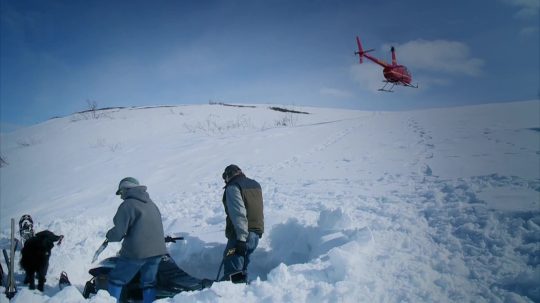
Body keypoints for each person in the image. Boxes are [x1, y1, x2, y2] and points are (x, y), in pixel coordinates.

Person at [105, 177, 167, 303]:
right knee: (149, 283)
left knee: (116, 279)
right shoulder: (151, 203)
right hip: (158, 251)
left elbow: (118, 232)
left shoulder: (127, 205)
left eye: (121, 192)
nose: (121, 196)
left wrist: (108, 236)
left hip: (137, 252)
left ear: (127, 189)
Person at [220, 165, 264, 283]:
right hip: (255, 234)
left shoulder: (233, 187)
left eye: (225, 177)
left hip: (241, 235)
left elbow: (238, 213)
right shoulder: (255, 185)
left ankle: (232, 294)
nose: (225, 181)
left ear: (228, 175)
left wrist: (241, 239)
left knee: (233, 273)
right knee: (242, 271)